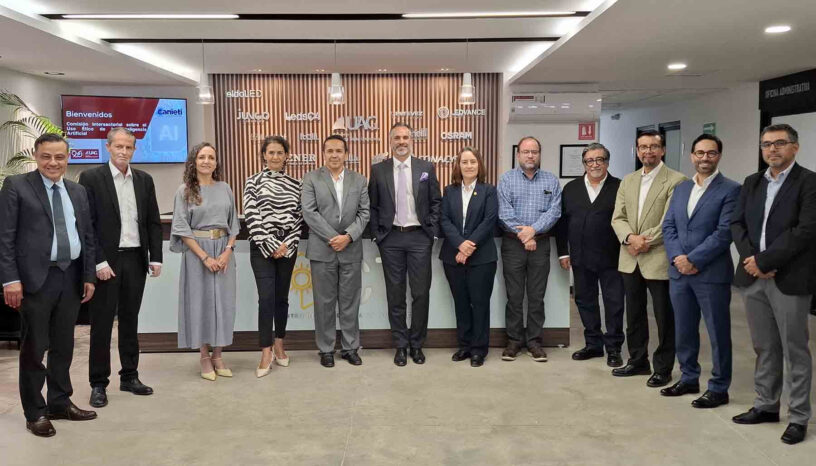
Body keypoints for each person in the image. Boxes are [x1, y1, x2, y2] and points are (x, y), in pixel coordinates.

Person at [0, 133, 97, 437]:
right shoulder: (17, 186)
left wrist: (88, 276)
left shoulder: (77, 191)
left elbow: (87, 236)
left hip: (71, 276)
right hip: (34, 280)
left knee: (64, 345)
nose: (53, 162)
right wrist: (10, 279)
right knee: (34, 348)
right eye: (46, 156)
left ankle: (59, 402)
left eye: (59, 157)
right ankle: (35, 412)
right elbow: (5, 236)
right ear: (36, 156)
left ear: (68, 158)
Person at [730, 123, 816, 445]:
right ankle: (766, 405)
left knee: (795, 350)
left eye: (779, 143)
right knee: (764, 346)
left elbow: (806, 230)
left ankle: (798, 417)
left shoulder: (809, 182)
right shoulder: (752, 182)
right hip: (753, 277)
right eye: (766, 144)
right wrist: (752, 260)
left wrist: (766, 261)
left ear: (795, 146)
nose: (772, 149)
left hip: (789, 278)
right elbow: (736, 223)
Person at [78, 127, 163, 408]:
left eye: (128, 147)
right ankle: (98, 383)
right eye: (119, 146)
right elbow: (87, 225)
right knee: (101, 324)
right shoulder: (91, 178)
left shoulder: (144, 180)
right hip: (107, 262)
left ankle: (129, 376)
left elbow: (152, 221)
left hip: (135, 259)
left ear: (134, 150)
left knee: (130, 321)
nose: (124, 151)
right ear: (108, 147)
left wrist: (155, 257)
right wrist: (98, 261)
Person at [661, 134, 740, 408]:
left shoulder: (731, 189)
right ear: (692, 155)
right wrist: (677, 258)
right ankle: (688, 377)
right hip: (679, 273)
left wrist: (693, 259)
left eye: (711, 153)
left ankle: (719, 387)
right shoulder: (682, 188)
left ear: (719, 156)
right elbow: (669, 226)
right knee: (684, 330)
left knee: (718, 333)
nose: (705, 158)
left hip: (711, 274)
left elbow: (724, 233)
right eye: (700, 153)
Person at [611, 129, 686, 387]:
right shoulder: (628, 180)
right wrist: (630, 238)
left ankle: (663, 368)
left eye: (653, 146)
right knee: (633, 314)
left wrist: (644, 241)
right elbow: (617, 217)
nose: (648, 151)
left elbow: (670, 220)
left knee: (665, 317)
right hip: (630, 257)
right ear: (637, 150)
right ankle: (638, 360)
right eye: (643, 147)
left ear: (662, 150)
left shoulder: (677, 180)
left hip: (658, 257)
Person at [368, 122, 441, 366]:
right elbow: (373, 205)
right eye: (397, 138)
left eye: (405, 137)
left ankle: (417, 345)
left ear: (412, 140)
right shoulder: (378, 170)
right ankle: (400, 345)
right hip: (391, 239)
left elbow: (436, 201)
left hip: (419, 237)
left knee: (420, 293)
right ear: (390, 141)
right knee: (395, 294)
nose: (401, 141)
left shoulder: (425, 168)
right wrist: (378, 235)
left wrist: (431, 232)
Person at [170, 143, 239, 381]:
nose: (207, 161)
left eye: (211, 157)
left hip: (223, 251)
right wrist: (205, 257)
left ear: (216, 162)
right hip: (197, 253)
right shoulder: (185, 191)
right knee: (200, 303)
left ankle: (218, 355)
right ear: (194, 161)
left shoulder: (225, 188)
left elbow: (234, 224)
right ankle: (203, 356)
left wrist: (227, 251)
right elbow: (181, 228)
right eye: (202, 157)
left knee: (223, 303)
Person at [301, 135, 370, 367]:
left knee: (350, 302)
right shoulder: (311, 178)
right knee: (324, 303)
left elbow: (364, 213)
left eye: (339, 151)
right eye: (330, 150)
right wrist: (333, 238)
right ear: (323, 153)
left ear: (346, 154)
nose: (334, 155)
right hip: (322, 250)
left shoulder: (359, 180)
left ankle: (350, 348)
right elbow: (309, 212)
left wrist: (348, 237)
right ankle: (326, 349)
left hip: (351, 249)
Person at [555, 143, 625, 367]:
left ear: (607, 162)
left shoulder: (620, 187)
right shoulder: (571, 188)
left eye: (599, 159)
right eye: (589, 161)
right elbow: (562, 223)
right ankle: (593, 344)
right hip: (581, 257)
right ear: (584, 164)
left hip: (612, 258)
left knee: (614, 303)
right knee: (585, 301)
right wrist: (563, 253)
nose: (594, 164)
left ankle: (614, 348)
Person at [497, 136, 561, 362]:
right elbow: (504, 213)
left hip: (540, 244)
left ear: (539, 154)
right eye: (526, 152)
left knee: (536, 296)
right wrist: (525, 236)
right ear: (518, 155)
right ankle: (514, 341)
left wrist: (533, 231)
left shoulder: (551, 181)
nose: (530, 155)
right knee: (514, 296)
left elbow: (555, 212)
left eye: (534, 151)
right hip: (513, 245)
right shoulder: (506, 180)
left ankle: (534, 342)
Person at [244, 136, 302, 377]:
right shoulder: (252, 182)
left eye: (280, 152)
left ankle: (279, 343)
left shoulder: (296, 184)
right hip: (261, 248)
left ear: (286, 155)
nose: (275, 156)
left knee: (282, 298)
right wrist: (271, 244)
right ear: (264, 155)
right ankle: (265, 350)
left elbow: (299, 218)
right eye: (271, 152)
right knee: (266, 298)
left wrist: (286, 244)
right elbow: (251, 215)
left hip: (287, 248)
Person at [439, 147, 498, 367]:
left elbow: (489, 220)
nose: (469, 166)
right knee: (461, 303)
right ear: (458, 165)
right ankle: (464, 345)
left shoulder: (488, 190)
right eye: (464, 162)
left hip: (482, 257)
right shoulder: (449, 191)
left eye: (473, 161)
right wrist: (460, 245)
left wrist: (468, 246)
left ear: (479, 164)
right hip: (453, 256)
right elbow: (444, 220)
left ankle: (479, 349)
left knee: (480, 303)